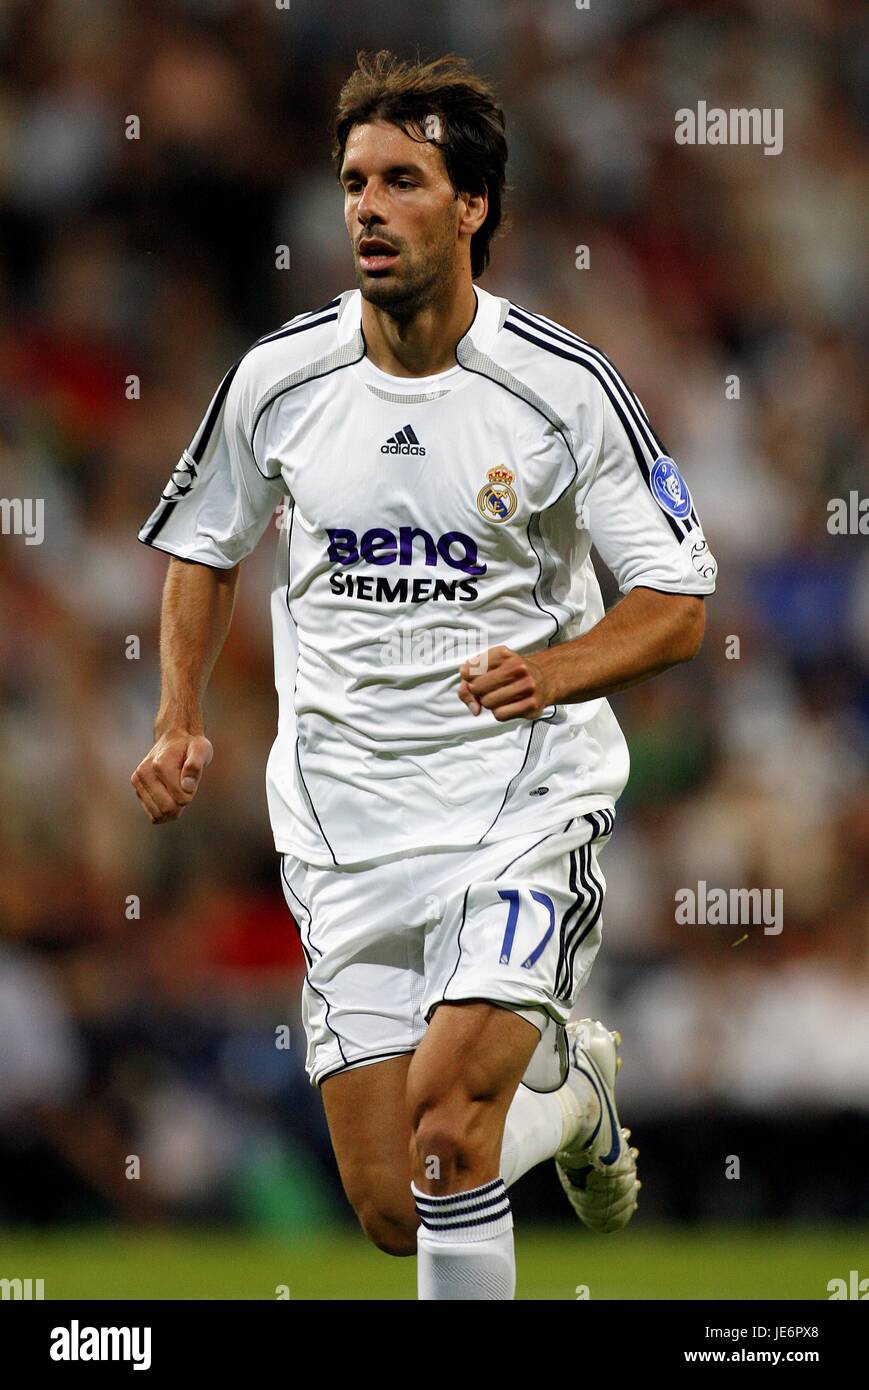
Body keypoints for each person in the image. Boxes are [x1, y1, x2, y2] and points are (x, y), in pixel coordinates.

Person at [132, 49, 717, 1300]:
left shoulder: (559, 389)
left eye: (403, 180)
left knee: (450, 1126)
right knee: (399, 1201)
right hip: (344, 828)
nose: (365, 208)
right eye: (353, 181)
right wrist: (177, 715)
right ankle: (572, 1105)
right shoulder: (279, 380)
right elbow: (202, 543)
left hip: (516, 805)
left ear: (472, 208)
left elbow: (675, 602)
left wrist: (555, 671)